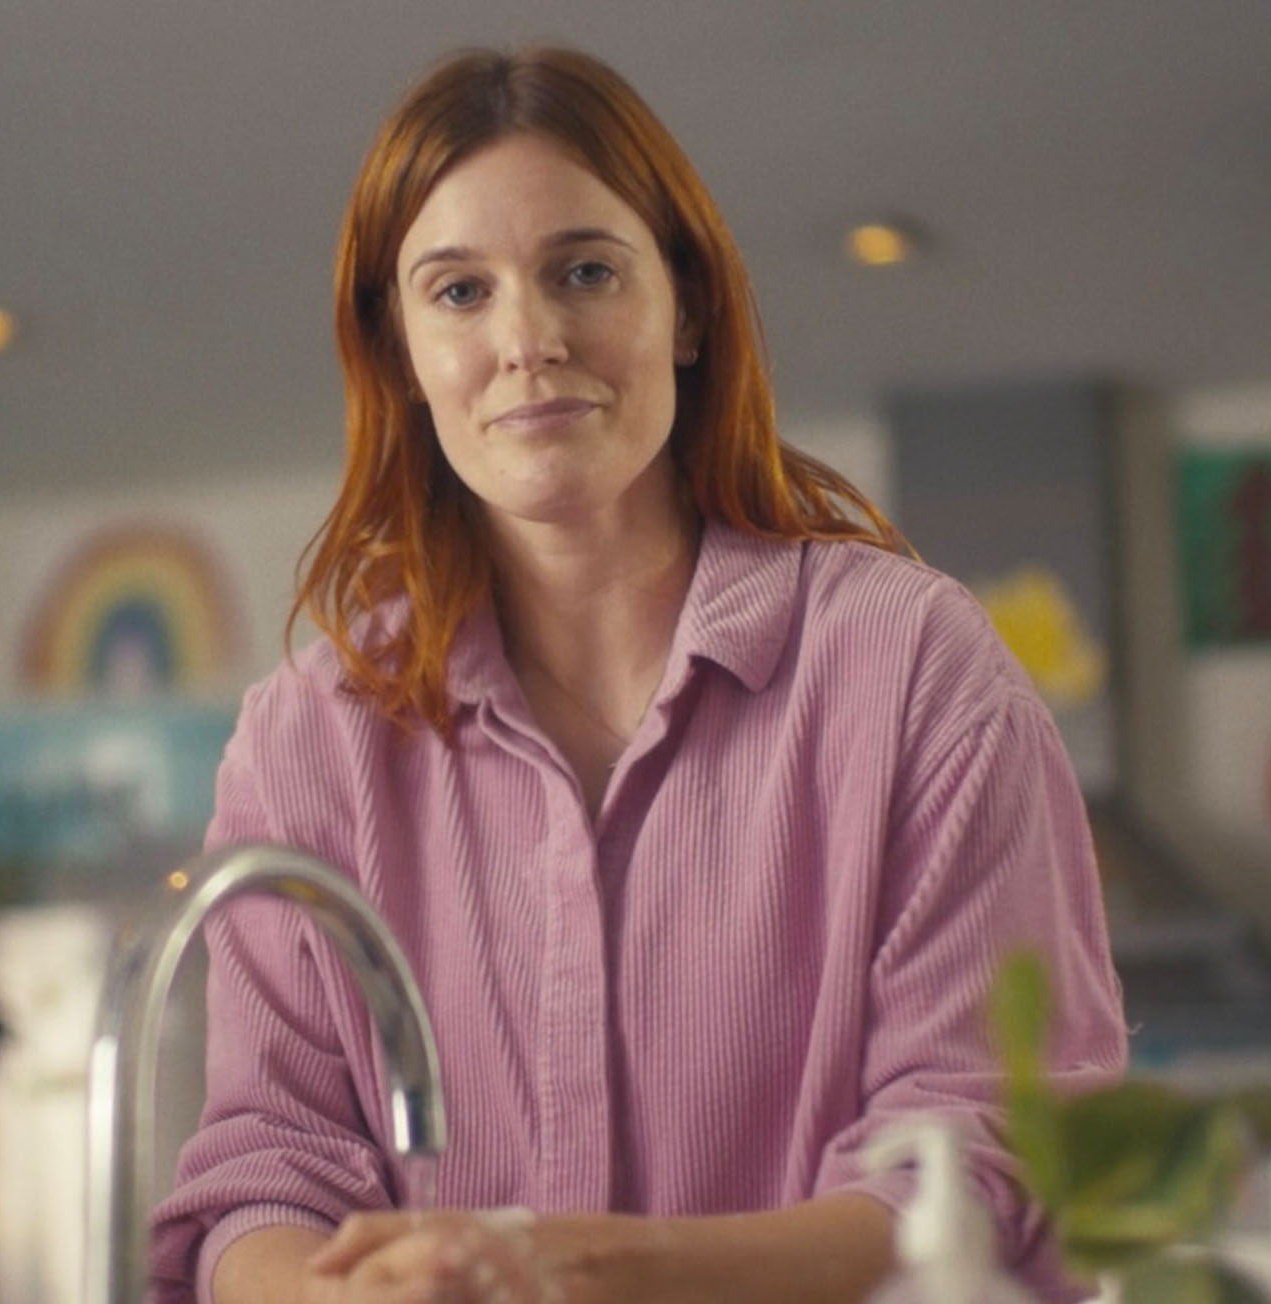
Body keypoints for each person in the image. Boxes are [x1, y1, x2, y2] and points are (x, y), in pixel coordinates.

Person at [150, 44, 1127, 1304]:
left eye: (585, 272)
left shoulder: (912, 667)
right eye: (459, 292)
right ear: (397, 354)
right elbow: (262, 1173)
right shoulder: (306, 743)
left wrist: (590, 1269)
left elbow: (988, 1156)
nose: (529, 339)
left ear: (690, 308)